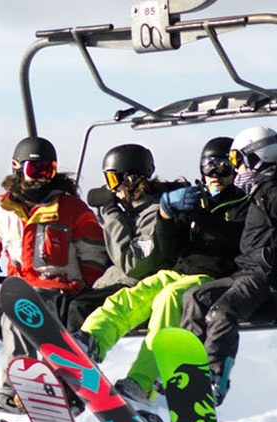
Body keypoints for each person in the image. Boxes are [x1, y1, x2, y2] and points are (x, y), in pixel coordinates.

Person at [0, 136, 109, 419]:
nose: (41, 179)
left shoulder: (71, 210)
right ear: (17, 168)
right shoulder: (0, 209)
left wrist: (87, 296)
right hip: (19, 286)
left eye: (48, 171)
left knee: (18, 310)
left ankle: (19, 388)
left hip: (59, 292)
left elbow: (93, 255)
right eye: (34, 170)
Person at [75, 136, 250, 403]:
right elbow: (170, 246)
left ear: (236, 169)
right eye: (208, 167)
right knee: (134, 295)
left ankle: (142, 383)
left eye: (224, 167)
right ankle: (91, 340)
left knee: (169, 299)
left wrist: (204, 219)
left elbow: (237, 243)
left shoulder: (244, 205)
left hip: (214, 276)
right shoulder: (197, 200)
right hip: (181, 270)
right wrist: (167, 216)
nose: (215, 175)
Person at [180, 126, 277, 406]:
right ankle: (187, 366)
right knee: (195, 297)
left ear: (256, 157)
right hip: (245, 271)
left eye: (237, 161)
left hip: (264, 276)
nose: (236, 171)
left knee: (222, 311)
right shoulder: (261, 187)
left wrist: (269, 256)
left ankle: (214, 375)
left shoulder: (271, 187)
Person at [64, 143, 179, 333]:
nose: (111, 189)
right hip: (118, 284)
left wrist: (111, 211)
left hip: (139, 288)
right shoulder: (132, 211)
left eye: (112, 179)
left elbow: (132, 264)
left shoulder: (154, 214)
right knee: (65, 304)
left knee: (80, 308)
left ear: (131, 178)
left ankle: (77, 357)